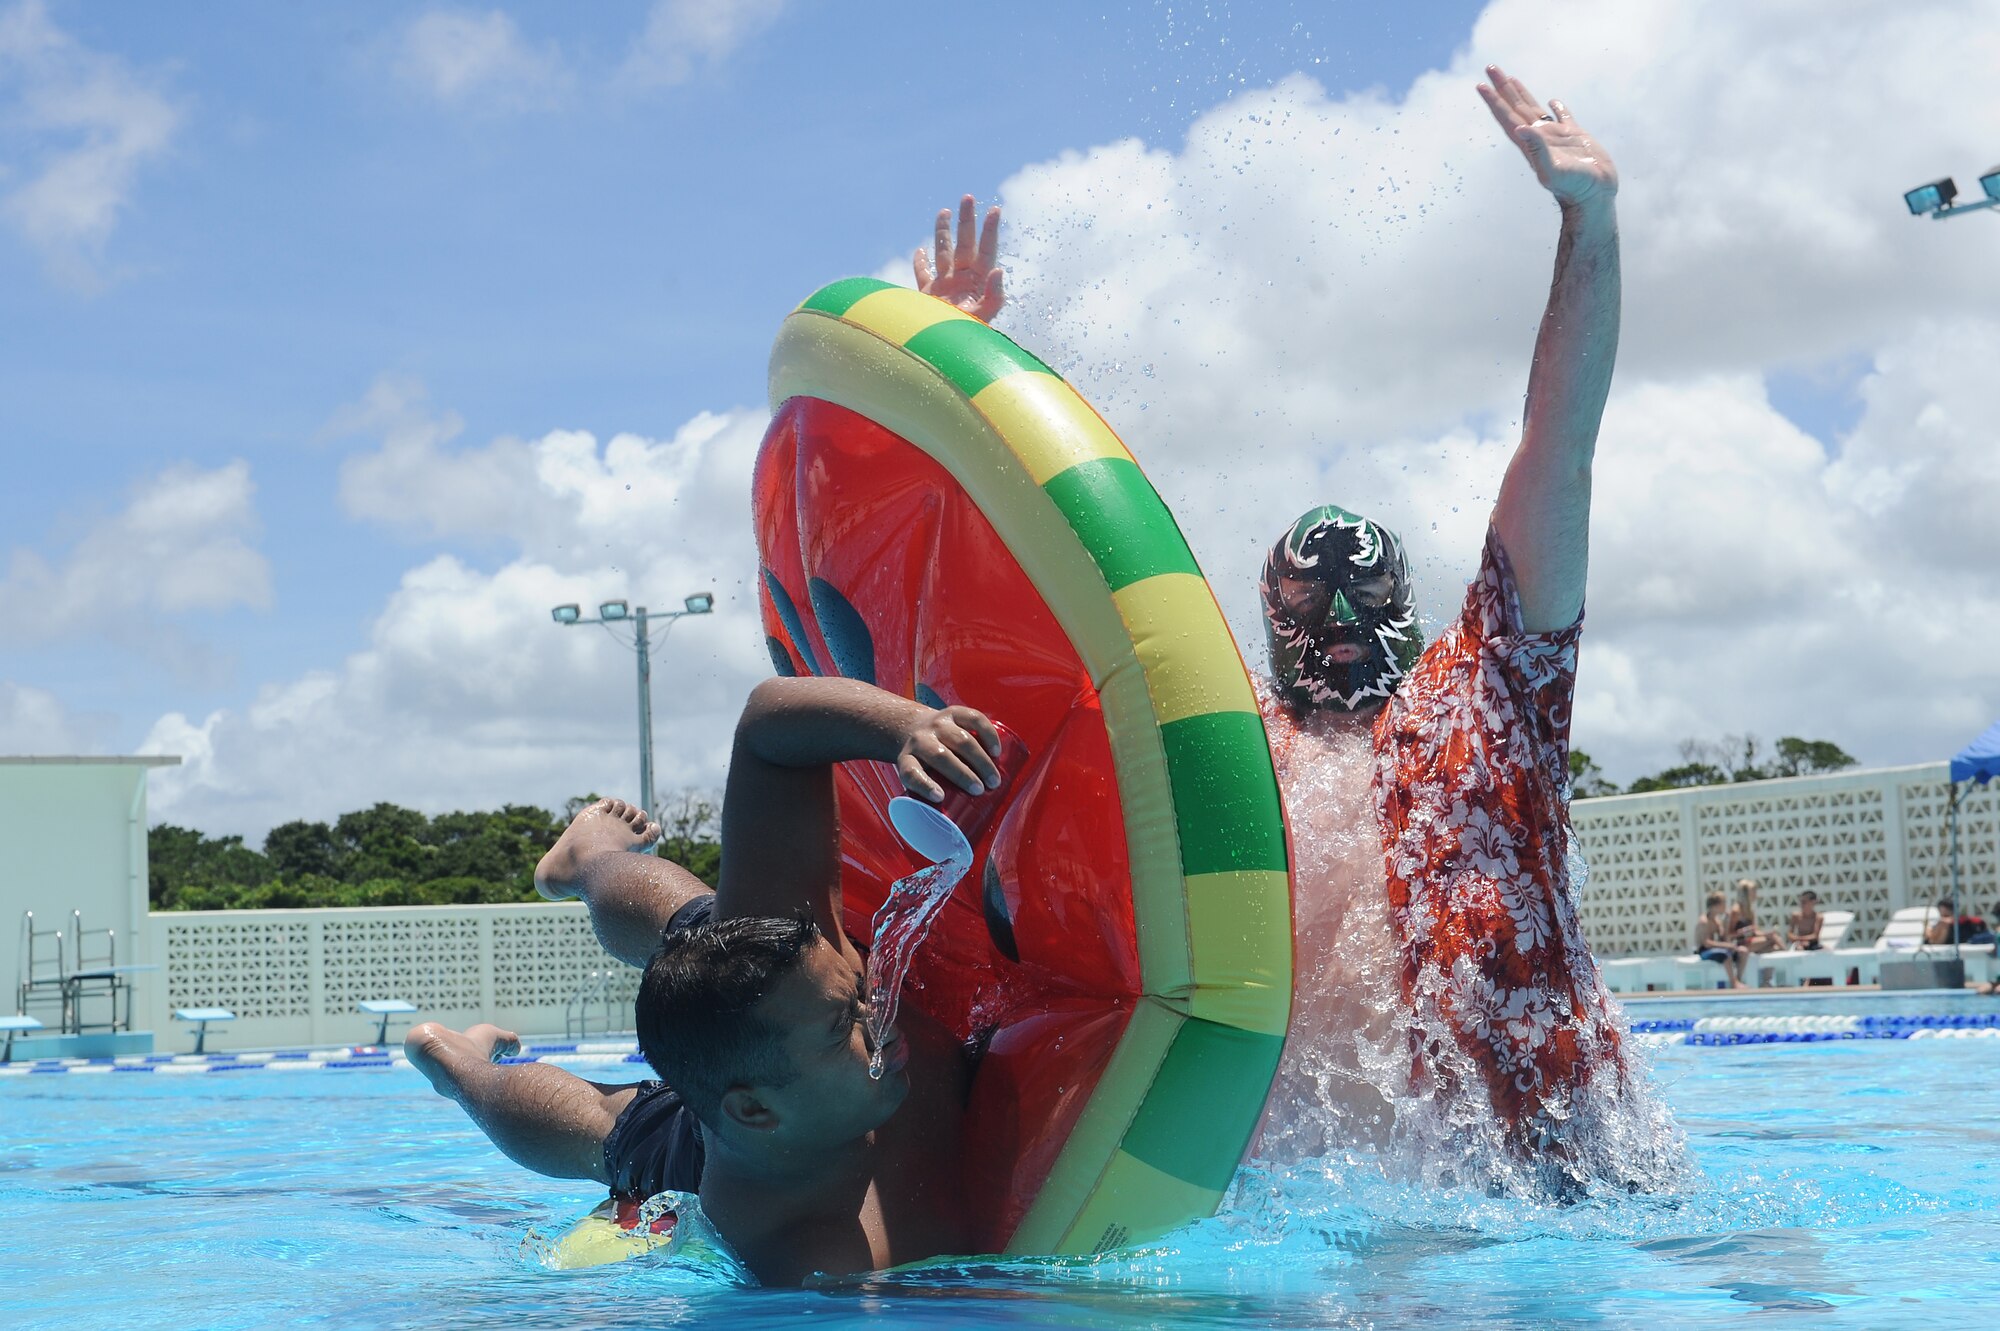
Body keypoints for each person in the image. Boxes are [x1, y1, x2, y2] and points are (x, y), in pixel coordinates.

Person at [921, 67, 1664, 1185]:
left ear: (1413, 602)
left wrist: (1586, 223)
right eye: (1307, 597)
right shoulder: (1229, 755)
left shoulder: (1489, 701)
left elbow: (1556, 446)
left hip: (1543, 1179)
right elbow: (1035, 595)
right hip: (1294, 1195)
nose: (1339, 616)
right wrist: (956, 370)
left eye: (1362, 592)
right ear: (1265, 617)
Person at [409, 676, 1008, 1285]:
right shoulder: (809, 1254)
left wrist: (907, 727)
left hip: (771, 1043)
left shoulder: (807, 960)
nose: (879, 1012)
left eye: (857, 993)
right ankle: (452, 1062)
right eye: (841, 1025)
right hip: (737, 1142)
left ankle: (587, 860)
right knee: (606, 1125)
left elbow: (767, 722)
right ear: (754, 1110)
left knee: (701, 928)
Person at [1694, 893, 1748, 989]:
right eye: (1723, 903)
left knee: (1743, 951)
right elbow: (1707, 943)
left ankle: (1738, 979)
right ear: (1715, 905)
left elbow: (1724, 939)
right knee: (1725, 954)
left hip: (1717, 949)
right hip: (1704, 951)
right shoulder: (1704, 921)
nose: (1725, 906)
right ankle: (1734, 982)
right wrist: (1727, 946)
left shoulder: (1717, 921)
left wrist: (1727, 923)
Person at [1728, 879, 1783, 954]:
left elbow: (1755, 932)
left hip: (1751, 940)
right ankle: (1789, 955)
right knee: (1773, 939)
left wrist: (1766, 934)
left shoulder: (1750, 911)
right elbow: (1730, 934)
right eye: (1753, 892)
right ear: (1745, 894)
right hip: (1740, 943)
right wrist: (1745, 930)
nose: (1756, 895)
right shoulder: (1736, 911)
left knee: (1774, 947)